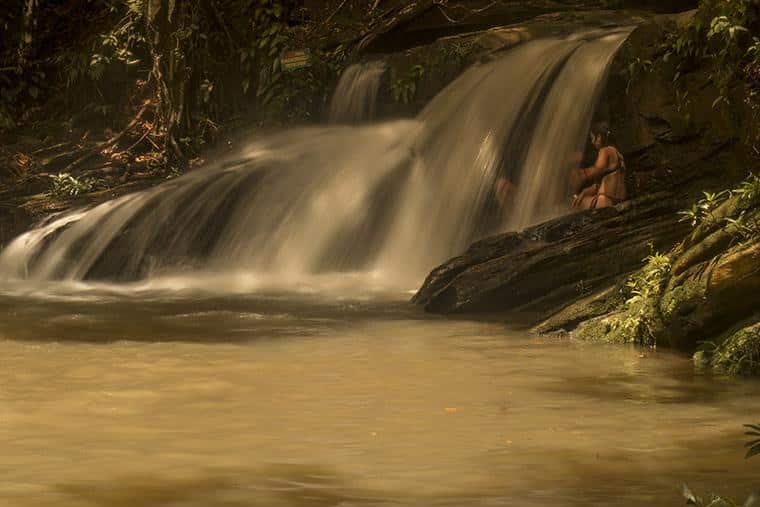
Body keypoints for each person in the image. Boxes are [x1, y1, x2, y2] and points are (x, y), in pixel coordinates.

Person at [571, 122, 628, 209]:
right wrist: (584, 192)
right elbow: (598, 185)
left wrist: (582, 174)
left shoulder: (605, 150)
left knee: (573, 203)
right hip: (618, 199)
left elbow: (597, 169)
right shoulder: (617, 153)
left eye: (593, 138)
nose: (592, 142)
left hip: (605, 201)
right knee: (579, 198)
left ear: (599, 137)